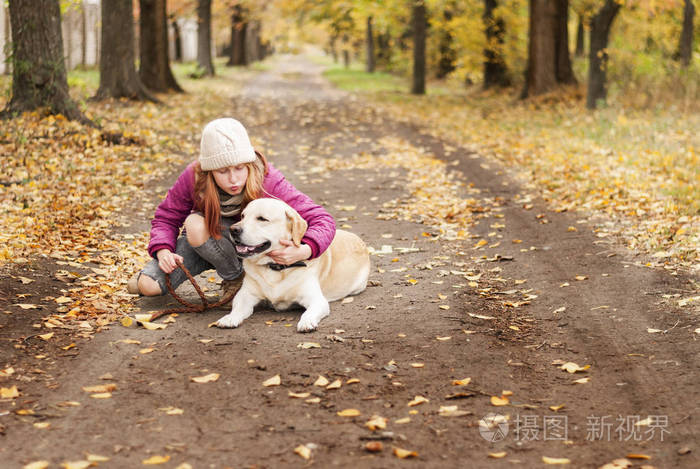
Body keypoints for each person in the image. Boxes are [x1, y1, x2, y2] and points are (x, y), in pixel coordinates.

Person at [127, 117, 336, 299]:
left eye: (239, 168)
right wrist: (163, 251)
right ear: (209, 171)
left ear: (248, 163)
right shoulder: (194, 176)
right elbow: (166, 217)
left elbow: (322, 219)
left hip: (248, 248)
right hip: (203, 242)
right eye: (223, 171)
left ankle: (236, 279)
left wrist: (305, 250)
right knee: (148, 287)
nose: (234, 179)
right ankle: (151, 277)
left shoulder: (267, 180)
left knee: (194, 226)